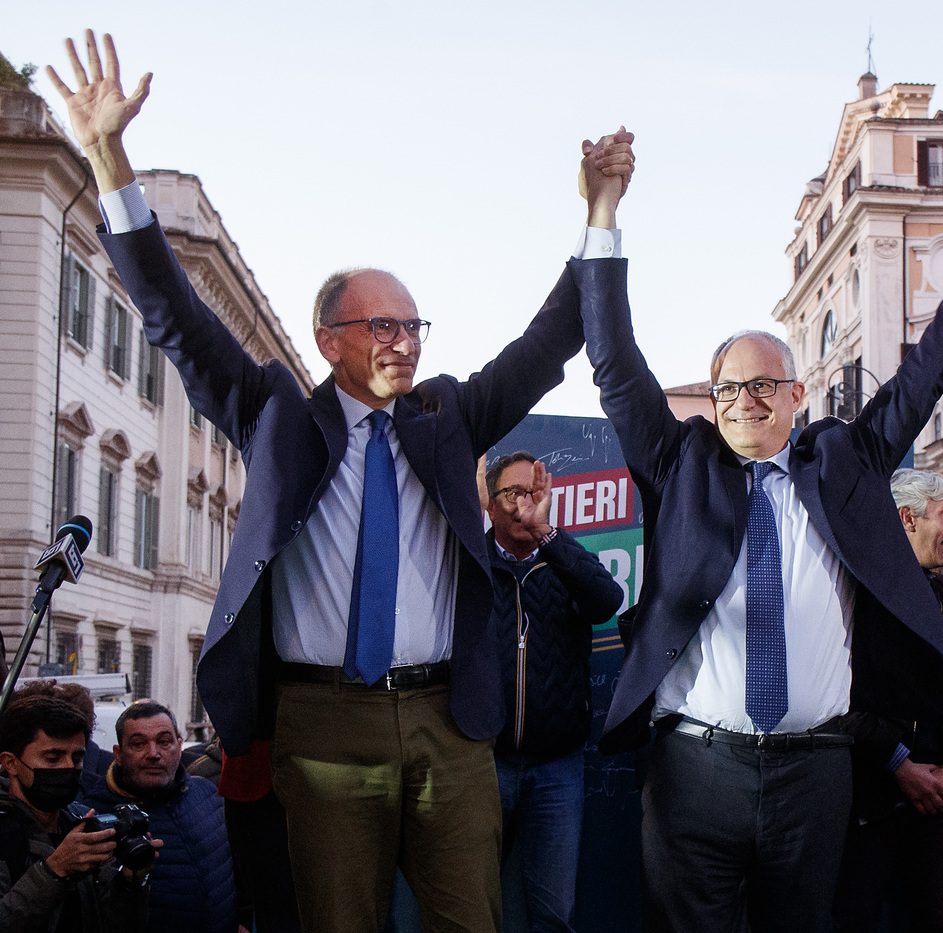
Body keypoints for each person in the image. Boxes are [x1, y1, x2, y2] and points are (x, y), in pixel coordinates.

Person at [48, 31, 635, 933]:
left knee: (470, 919)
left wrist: (599, 211)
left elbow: (547, 341)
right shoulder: (276, 413)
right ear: (330, 340)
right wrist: (106, 158)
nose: (405, 342)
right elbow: (174, 316)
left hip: (449, 719)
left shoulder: (449, 415)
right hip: (322, 724)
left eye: (414, 325)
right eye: (382, 326)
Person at [578, 182, 943, 931]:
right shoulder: (680, 465)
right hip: (695, 771)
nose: (745, 399)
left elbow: (923, 375)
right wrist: (602, 218)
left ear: (798, 393)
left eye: (764, 384)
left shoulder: (843, 464)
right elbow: (614, 365)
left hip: (815, 773)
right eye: (730, 387)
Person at [834, 469, 943, 933]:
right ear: (908, 518)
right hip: (869, 803)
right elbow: (837, 696)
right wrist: (898, 763)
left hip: (942, 805)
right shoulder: (852, 591)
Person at [484, 451, 624, 933]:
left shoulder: (565, 560)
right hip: (484, 764)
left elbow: (607, 601)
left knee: (553, 915)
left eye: (533, 493)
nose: (524, 504)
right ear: (490, 505)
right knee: (471, 908)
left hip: (557, 769)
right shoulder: (471, 565)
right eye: (512, 493)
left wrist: (547, 535)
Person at [0, 680, 154, 932]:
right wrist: (55, 871)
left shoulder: (82, 822)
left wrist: (130, 883)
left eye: (77, 757)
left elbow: (117, 925)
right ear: (11, 763)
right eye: (53, 758)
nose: (68, 768)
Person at [82, 702, 239, 933]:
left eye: (164, 742)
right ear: (119, 754)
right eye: (138, 744)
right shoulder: (96, 817)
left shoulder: (207, 794)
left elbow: (238, 869)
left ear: (179, 745)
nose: (153, 754)